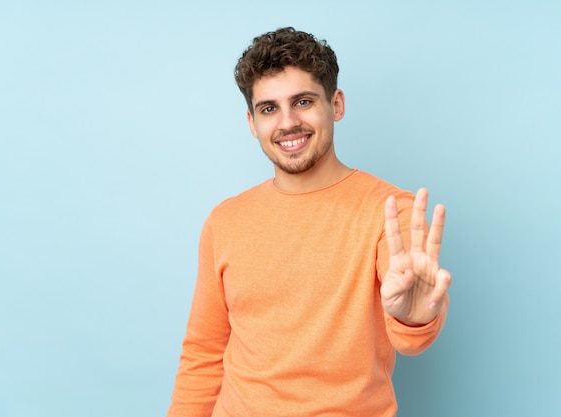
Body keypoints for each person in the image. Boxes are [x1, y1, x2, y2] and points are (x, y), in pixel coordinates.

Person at [167, 27, 451, 417]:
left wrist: (415, 318)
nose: (287, 123)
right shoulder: (225, 221)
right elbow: (203, 353)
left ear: (336, 104)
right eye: (269, 109)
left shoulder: (391, 211)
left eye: (303, 101)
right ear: (252, 123)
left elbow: (412, 334)